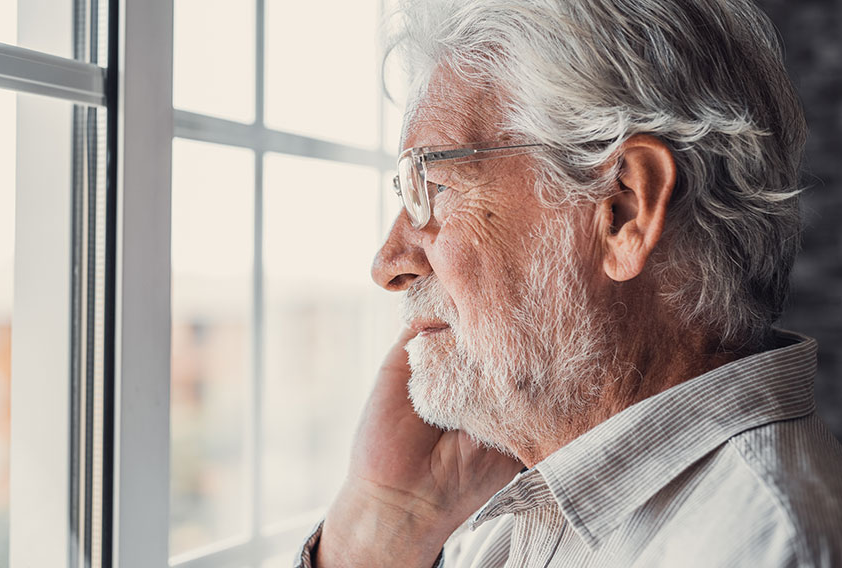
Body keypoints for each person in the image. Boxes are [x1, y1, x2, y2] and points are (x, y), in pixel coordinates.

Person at [298, 0, 842, 566]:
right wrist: (385, 520)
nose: (389, 262)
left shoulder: (772, 548)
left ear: (623, 209)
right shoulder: (506, 504)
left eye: (431, 187)